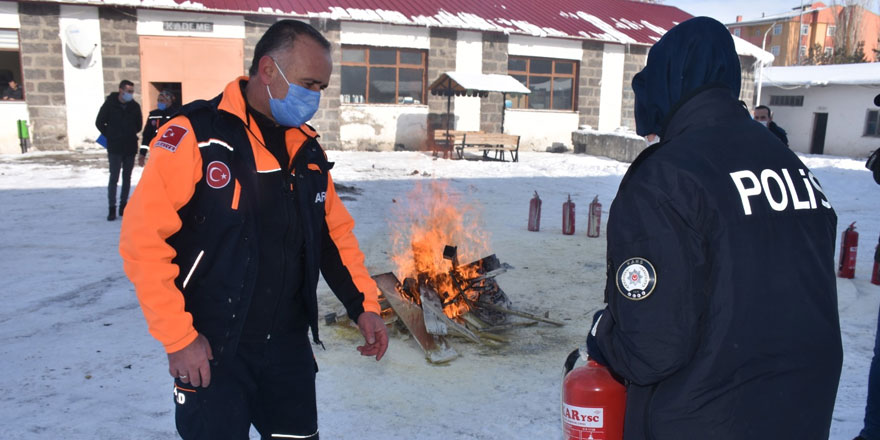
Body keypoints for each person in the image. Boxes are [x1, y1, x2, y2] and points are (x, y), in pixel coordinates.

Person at [119, 20, 388, 440]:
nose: (314, 97)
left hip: (287, 350)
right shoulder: (196, 136)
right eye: (308, 83)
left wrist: (364, 305)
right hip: (212, 349)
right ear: (267, 70)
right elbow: (142, 241)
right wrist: (178, 338)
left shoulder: (308, 150)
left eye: (322, 87)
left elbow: (333, 235)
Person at [585, 17, 842, 439]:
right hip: (799, 411)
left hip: (706, 417)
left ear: (666, 79)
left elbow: (651, 348)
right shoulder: (788, 164)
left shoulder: (668, 177)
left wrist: (603, 334)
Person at [95, 79, 142, 221]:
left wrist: (129, 132)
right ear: (121, 90)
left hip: (129, 146)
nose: (130, 94)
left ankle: (123, 206)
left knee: (127, 178)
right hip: (115, 147)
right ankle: (112, 208)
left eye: (132, 92)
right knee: (114, 177)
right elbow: (99, 122)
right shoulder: (110, 104)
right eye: (128, 91)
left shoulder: (134, 106)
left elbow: (138, 125)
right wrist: (111, 134)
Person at [139, 89, 178, 166]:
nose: (159, 102)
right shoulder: (153, 115)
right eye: (158, 100)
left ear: (169, 101)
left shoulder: (176, 115)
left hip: (171, 152)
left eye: (162, 100)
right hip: (155, 151)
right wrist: (142, 153)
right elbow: (147, 135)